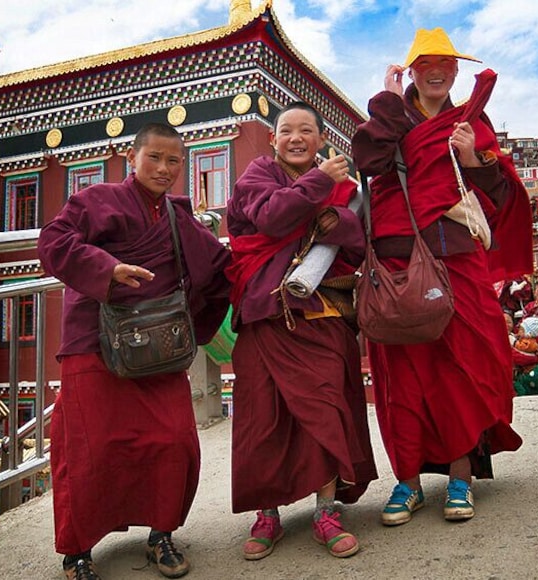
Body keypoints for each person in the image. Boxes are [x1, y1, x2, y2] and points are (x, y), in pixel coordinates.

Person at [351, 27, 532, 526]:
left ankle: (460, 475)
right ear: (411, 71)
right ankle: (407, 480)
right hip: (396, 259)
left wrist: (473, 159)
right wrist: (386, 103)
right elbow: (369, 160)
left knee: (469, 366)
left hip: (456, 257)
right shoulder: (392, 113)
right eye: (426, 63)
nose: (437, 71)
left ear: (456, 71)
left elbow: (500, 193)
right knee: (403, 375)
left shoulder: (469, 120)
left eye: (447, 64)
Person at [38, 123, 232, 580]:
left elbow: (219, 268)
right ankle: (77, 550)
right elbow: (53, 242)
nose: (164, 169)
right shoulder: (96, 201)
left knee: (174, 439)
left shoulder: (177, 217)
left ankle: (161, 534)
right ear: (133, 158)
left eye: (174, 161)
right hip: (96, 341)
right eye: (155, 158)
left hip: (160, 346)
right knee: (90, 448)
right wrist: (108, 269)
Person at [225, 101, 377, 560]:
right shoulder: (257, 175)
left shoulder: (343, 187)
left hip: (322, 310)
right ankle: (267, 513)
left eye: (305, 130)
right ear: (273, 140)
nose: (295, 137)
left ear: (320, 139)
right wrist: (320, 186)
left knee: (327, 407)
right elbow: (270, 217)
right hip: (266, 315)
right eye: (286, 130)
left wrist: (339, 218)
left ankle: (325, 510)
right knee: (263, 418)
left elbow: (358, 238)